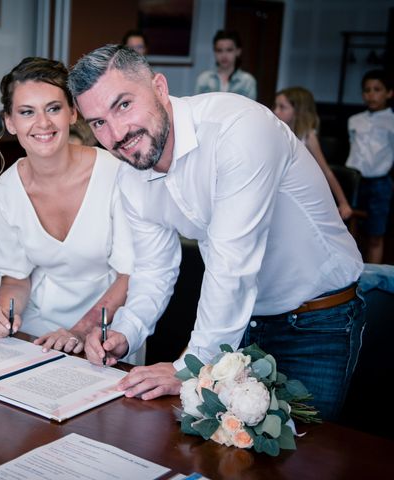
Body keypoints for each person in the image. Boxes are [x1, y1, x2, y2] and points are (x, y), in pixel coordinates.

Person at [69, 44, 364, 420]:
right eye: (98, 123)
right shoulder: (132, 175)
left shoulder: (239, 129)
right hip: (239, 323)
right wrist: (125, 333)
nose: (117, 133)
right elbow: (153, 270)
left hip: (316, 323)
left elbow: (231, 265)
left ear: (159, 87)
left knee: (306, 460)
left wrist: (190, 367)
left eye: (123, 105)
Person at [0, 57, 133, 354]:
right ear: (9, 122)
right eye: (27, 112)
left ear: (73, 113)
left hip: (108, 326)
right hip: (38, 328)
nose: (43, 124)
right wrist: (4, 314)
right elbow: (15, 278)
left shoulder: (118, 175)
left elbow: (131, 276)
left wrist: (80, 331)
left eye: (53, 108)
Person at [274, 86, 353, 220]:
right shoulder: (279, 133)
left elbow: (326, 171)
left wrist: (343, 203)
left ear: (298, 111)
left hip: (301, 194)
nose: (275, 111)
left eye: (282, 107)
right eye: (275, 106)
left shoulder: (308, 137)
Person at [346, 69, 394, 264]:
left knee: (375, 233)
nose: (371, 94)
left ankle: (373, 278)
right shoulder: (354, 120)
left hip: (379, 183)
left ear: (389, 93)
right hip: (354, 181)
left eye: (377, 89)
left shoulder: (392, 121)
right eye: (367, 90)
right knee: (349, 231)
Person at [195, 30, 256, 100]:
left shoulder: (247, 81)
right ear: (214, 52)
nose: (224, 55)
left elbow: (250, 109)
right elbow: (198, 107)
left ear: (238, 51)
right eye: (219, 50)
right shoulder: (204, 79)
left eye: (229, 50)